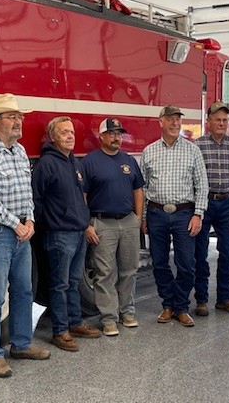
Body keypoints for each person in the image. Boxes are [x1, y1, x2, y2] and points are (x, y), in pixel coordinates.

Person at [0, 93, 50, 378]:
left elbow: (26, 192)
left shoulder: (19, 150)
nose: (19, 122)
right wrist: (14, 224)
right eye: (12, 117)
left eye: (20, 117)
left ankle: (21, 344)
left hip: (20, 231)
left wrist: (29, 220)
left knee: (23, 291)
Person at [32, 116, 102, 352]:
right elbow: (37, 200)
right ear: (53, 137)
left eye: (71, 132)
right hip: (59, 235)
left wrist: (84, 223)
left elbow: (81, 196)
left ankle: (75, 322)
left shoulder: (74, 162)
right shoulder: (47, 164)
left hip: (78, 233)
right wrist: (50, 224)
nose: (70, 136)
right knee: (59, 285)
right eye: (64, 133)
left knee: (73, 282)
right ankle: (60, 330)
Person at [140, 105, 209, 327]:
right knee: (159, 263)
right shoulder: (149, 151)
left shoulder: (192, 150)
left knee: (187, 264)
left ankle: (181, 307)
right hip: (156, 213)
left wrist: (198, 214)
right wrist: (143, 218)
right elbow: (143, 187)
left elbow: (202, 186)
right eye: (170, 119)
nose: (175, 123)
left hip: (184, 214)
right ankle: (167, 305)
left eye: (178, 119)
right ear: (160, 122)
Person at [81, 118, 145, 336]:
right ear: (102, 136)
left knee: (129, 271)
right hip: (102, 223)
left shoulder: (129, 160)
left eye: (119, 134)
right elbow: (83, 196)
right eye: (112, 133)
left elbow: (138, 190)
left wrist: (137, 218)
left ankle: (127, 313)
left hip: (128, 222)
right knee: (105, 273)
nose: (117, 137)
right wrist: (87, 224)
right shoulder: (90, 162)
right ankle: (109, 319)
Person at [194, 102, 229, 316]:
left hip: (226, 203)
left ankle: (225, 298)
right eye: (217, 120)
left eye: (225, 120)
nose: (221, 123)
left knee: (228, 252)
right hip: (204, 203)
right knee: (200, 253)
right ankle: (202, 300)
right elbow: (193, 177)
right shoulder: (197, 146)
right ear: (209, 122)